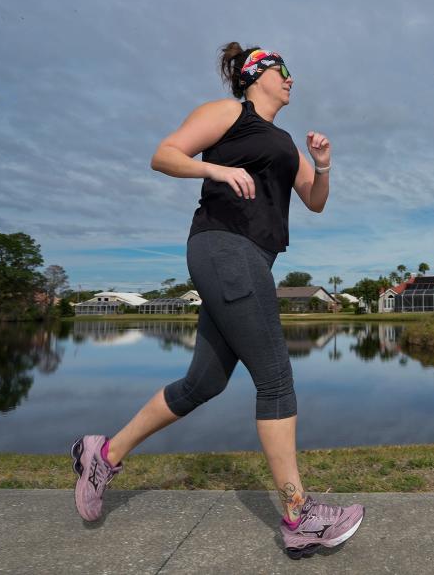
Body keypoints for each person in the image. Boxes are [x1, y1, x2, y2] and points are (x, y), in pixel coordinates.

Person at [70, 43, 364, 559]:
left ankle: (104, 452)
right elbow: (164, 154)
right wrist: (215, 171)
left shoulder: (286, 141)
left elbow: (315, 202)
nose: (292, 79)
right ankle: (300, 515)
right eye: (283, 70)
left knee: (203, 382)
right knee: (275, 377)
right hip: (224, 246)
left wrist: (323, 165)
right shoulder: (231, 113)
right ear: (256, 76)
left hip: (251, 259)